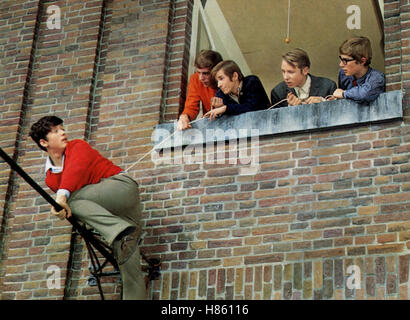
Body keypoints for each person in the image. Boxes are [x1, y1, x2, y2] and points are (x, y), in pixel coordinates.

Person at [29, 116, 146, 300]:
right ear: (44, 142)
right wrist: (62, 203)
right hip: (117, 218)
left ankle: (119, 231)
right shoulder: (50, 178)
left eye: (62, 128)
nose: (63, 132)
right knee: (129, 271)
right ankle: (122, 235)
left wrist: (61, 199)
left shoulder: (77, 146)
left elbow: (74, 173)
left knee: (72, 201)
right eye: (55, 131)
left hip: (121, 188)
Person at [203, 60, 270, 120]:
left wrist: (225, 108)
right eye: (217, 81)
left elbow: (252, 107)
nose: (219, 85)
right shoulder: (220, 94)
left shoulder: (252, 82)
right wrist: (218, 111)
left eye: (221, 79)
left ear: (235, 76)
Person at [270, 48, 337, 108]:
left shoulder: (328, 86)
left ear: (305, 70)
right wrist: (290, 109)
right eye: (283, 71)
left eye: (291, 72)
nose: (285, 77)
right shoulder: (278, 92)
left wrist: (323, 104)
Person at [177, 49, 223, 130]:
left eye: (205, 73)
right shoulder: (195, 79)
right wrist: (185, 117)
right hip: (212, 126)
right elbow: (191, 106)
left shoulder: (228, 77)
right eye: (198, 72)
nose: (201, 78)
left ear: (217, 71)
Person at [333, 36, 385, 104]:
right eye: (341, 59)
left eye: (345, 60)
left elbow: (364, 94)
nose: (341, 64)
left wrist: (344, 94)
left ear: (362, 61)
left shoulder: (377, 77)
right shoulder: (343, 74)